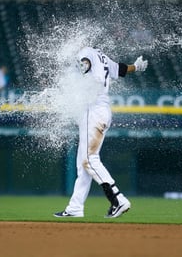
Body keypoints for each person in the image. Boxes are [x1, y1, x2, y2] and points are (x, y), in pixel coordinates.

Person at [54, 47, 148, 218]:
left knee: (89, 160)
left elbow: (86, 65)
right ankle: (75, 207)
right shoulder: (103, 57)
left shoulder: (86, 51)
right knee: (83, 164)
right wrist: (136, 66)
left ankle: (118, 199)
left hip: (94, 110)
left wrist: (82, 81)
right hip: (101, 110)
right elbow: (121, 69)